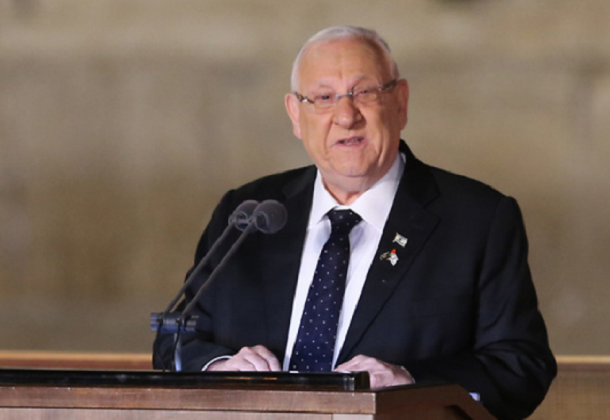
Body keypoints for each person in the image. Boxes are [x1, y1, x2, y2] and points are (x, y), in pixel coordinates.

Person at [153, 26, 556, 420]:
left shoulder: (477, 220)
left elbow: (521, 367)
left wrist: (413, 382)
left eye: (364, 93)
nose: (346, 117)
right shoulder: (248, 213)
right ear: (296, 115)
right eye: (324, 98)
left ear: (400, 102)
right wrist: (219, 367)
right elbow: (177, 338)